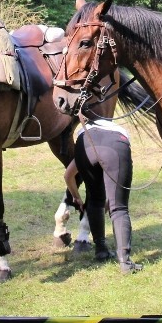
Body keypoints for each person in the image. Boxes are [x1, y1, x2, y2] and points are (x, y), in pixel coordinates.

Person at [63, 116, 142, 274]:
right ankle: (125, 262)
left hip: (85, 142)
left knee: (94, 199)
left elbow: (68, 176)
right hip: (116, 144)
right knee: (119, 207)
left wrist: (76, 196)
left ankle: (100, 249)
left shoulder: (86, 132)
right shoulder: (118, 130)